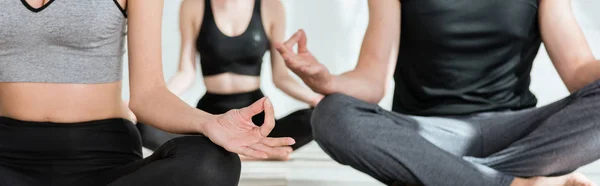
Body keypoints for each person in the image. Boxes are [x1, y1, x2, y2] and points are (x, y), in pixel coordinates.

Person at [276, 0, 600, 185]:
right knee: (331, 114)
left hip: (520, 136)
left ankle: (451, 177)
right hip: (425, 138)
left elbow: (578, 71)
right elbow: (372, 80)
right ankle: (515, 183)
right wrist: (326, 81)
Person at [0, 0, 295, 185]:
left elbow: (149, 94)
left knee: (213, 162)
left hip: (102, 158)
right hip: (7, 156)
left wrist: (209, 122)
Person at [136, 0, 323, 160]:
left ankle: (231, 151)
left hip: (256, 115)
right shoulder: (193, 5)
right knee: (141, 125)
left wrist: (316, 99)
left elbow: (281, 77)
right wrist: (149, 101)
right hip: (211, 116)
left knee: (319, 115)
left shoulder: (271, 6)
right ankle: (252, 152)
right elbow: (186, 73)